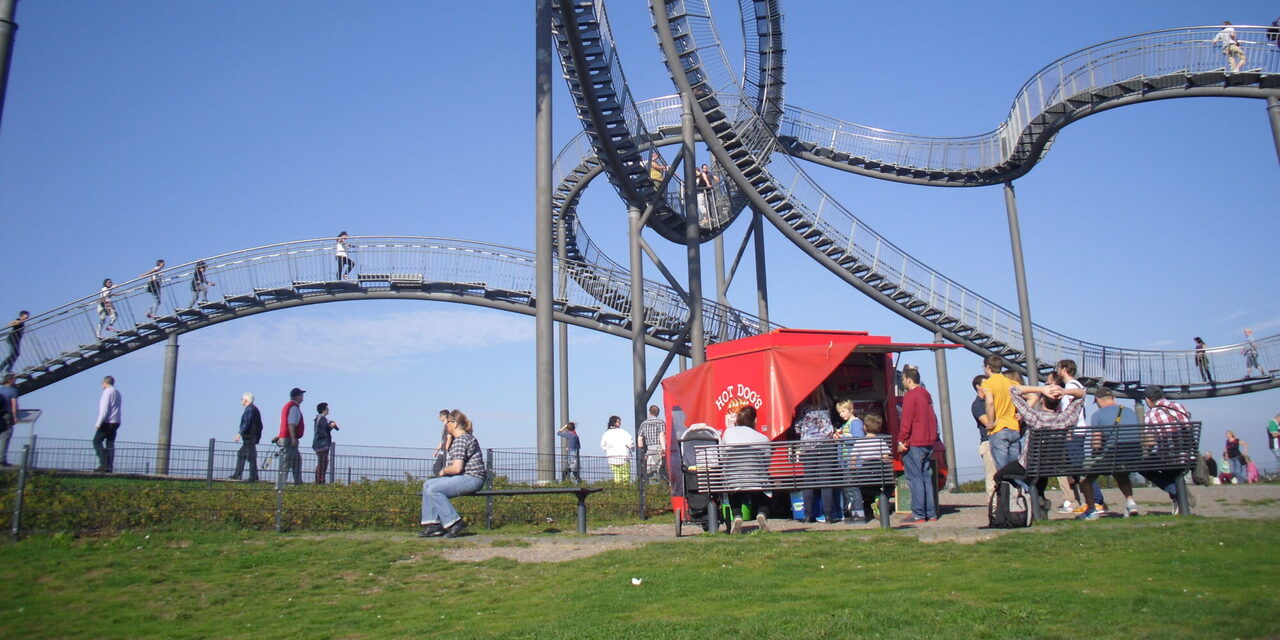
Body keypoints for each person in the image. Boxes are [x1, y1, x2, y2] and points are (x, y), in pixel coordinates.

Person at [418, 409, 485, 539]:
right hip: (468, 477)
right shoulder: (464, 438)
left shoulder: (461, 440)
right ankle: (433, 524)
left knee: (434, 490)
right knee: (427, 485)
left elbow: (457, 468)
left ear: (454, 424)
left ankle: (455, 522)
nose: (446, 425)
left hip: (472, 478)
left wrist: (444, 471)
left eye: (447, 422)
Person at [1077, 387, 1140, 519]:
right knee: (1121, 474)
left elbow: (1096, 444)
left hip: (1113, 456)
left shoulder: (1097, 415)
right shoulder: (1128, 411)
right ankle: (1131, 502)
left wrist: (1095, 451)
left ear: (1098, 400)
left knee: (1084, 476)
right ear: (1113, 398)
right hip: (1134, 455)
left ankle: (1091, 510)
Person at [1140, 385, 1196, 513]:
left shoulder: (1151, 414)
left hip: (1170, 458)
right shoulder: (1179, 407)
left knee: (1142, 465)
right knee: (1163, 456)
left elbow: (1150, 443)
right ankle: (1178, 500)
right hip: (1189, 456)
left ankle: (1178, 492)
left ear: (1148, 400)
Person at [721, 404, 771, 534]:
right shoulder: (762, 438)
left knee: (733, 488)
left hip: (733, 480)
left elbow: (721, 455)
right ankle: (761, 514)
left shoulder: (728, 433)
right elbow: (767, 462)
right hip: (756, 480)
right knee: (765, 488)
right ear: (755, 420)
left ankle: (737, 516)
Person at [898, 369, 939, 524]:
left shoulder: (910, 396)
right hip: (928, 441)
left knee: (915, 478)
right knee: (926, 478)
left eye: (903, 379)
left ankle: (919, 513)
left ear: (908, 380)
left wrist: (901, 440)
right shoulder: (926, 395)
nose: (902, 382)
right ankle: (931, 513)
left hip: (914, 442)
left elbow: (906, 421)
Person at [794, 386, 839, 524]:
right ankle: (828, 516)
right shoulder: (828, 403)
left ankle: (807, 515)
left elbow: (797, 428)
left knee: (808, 480)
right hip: (827, 445)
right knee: (826, 480)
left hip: (808, 447)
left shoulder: (803, 407)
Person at [981, 356, 1021, 469]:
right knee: (1015, 468)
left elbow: (990, 403)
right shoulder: (1012, 383)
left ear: (988, 367)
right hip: (1014, 427)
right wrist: (1022, 414)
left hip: (999, 429)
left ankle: (1006, 486)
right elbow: (1032, 397)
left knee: (1003, 470)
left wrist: (990, 422)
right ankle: (1022, 486)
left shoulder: (988, 383)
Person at [971, 375, 996, 497]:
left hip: (999, 440)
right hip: (988, 442)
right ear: (978, 387)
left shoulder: (994, 400)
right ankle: (994, 508)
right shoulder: (977, 405)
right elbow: (987, 423)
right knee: (992, 477)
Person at [230, 392, 263, 482]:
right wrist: (258, 436)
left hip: (249, 437)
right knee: (246, 455)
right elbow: (260, 425)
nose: (241, 401)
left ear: (246, 400)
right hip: (253, 437)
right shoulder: (255, 409)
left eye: (242, 399)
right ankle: (252, 476)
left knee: (249, 456)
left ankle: (247, 477)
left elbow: (246, 422)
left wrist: (239, 434)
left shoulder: (249, 410)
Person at [93, 375, 122, 473]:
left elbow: (104, 409)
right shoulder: (117, 392)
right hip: (116, 421)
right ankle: (109, 466)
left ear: (105, 383)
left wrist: (98, 423)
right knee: (110, 443)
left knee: (96, 441)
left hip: (107, 421)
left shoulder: (107, 392)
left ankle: (104, 464)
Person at [277, 388, 306, 485]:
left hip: (286, 437)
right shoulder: (293, 407)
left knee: (296, 460)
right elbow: (291, 423)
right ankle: (281, 484)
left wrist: (279, 436)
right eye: (301, 395)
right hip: (289, 438)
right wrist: (293, 438)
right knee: (287, 461)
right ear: (297, 396)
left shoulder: (287, 406)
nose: (302, 397)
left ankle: (298, 483)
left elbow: (284, 423)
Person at [637, 404, 666, 483]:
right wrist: (664, 448)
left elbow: (640, 438)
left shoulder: (643, 423)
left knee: (651, 472)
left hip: (649, 449)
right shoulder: (661, 422)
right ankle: (661, 490)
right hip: (659, 448)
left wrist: (642, 449)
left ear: (649, 412)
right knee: (661, 471)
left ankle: (653, 489)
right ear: (658, 413)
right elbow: (661, 435)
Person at [600, 415, 634, 482]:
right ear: (615, 423)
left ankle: (618, 489)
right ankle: (626, 490)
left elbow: (603, 445)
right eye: (619, 422)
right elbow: (630, 443)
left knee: (616, 476)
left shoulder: (606, 434)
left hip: (612, 458)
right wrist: (630, 447)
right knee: (626, 476)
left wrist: (608, 448)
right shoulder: (623, 432)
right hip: (624, 457)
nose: (620, 423)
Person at [312, 402, 339, 485]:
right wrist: (332, 425)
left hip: (319, 445)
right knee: (323, 463)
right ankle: (320, 482)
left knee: (322, 463)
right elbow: (325, 429)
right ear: (324, 409)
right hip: (322, 445)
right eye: (327, 408)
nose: (328, 410)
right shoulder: (322, 418)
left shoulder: (319, 419)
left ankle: (319, 481)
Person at [0, 375, 18, 466]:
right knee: (5, 437)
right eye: (14, 379)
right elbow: (14, 404)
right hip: (7, 414)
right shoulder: (13, 390)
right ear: (10, 380)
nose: (15, 380)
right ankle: (2, 459)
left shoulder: (1, 389)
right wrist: (15, 417)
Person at [431, 409, 453, 477]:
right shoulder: (444, 427)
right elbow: (443, 440)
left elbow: (449, 438)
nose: (439, 417)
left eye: (440, 416)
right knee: (436, 468)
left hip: (446, 451)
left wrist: (446, 449)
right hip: (442, 451)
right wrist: (436, 451)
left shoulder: (449, 425)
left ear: (445, 416)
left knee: (445, 467)